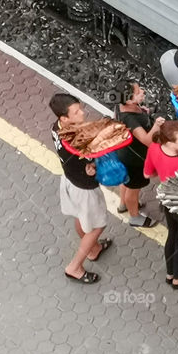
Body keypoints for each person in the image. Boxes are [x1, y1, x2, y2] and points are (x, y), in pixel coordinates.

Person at [49, 93, 111, 284]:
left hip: (70, 181)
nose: (82, 113)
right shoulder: (75, 144)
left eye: (80, 108)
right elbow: (91, 166)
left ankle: (93, 249)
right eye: (76, 112)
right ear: (64, 118)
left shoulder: (56, 128)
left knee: (80, 216)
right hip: (85, 188)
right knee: (97, 226)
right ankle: (75, 267)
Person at [144, 120, 178, 288]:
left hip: (166, 200)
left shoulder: (154, 148)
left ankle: (170, 273)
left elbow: (147, 174)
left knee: (172, 233)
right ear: (170, 143)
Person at [113, 79, 160, 228]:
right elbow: (147, 140)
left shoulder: (121, 106)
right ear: (129, 100)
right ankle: (135, 217)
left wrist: (142, 111)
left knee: (127, 182)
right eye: (138, 92)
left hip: (124, 153)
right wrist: (156, 126)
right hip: (134, 161)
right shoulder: (130, 119)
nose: (143, 92)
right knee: (133, 190)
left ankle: (123, 205)